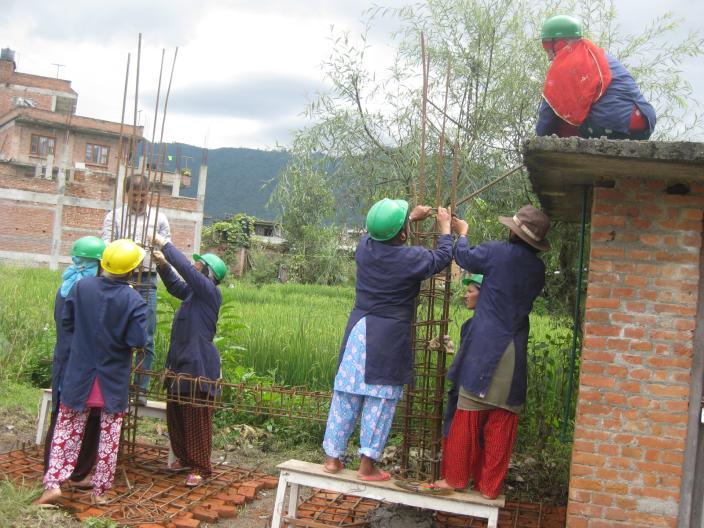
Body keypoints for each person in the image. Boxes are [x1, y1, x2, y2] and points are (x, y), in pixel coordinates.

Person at [322, 198, 454, 481]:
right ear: (404, 235)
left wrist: (410, 220)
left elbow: (379, 233)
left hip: (359, 330)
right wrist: (444, 229)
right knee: (380, 400)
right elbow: (441, 258)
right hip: (388, 336)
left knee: (346, 395)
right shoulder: (410, 259)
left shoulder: (364, 249)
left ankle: (332, 459)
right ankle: (367, 467)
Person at [433, 205, 549, 499]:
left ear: (513, 231)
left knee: (467, 417)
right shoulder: (538, 270)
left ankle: (455, 479)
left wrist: (463, 232)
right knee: (502, 423)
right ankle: (489, 489)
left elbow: (464, 257)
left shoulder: (498, 252)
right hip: (514, 352)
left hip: (485, 349)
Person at [36, 239, 148, 506]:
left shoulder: (81, 287)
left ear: (103, 264)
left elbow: (67, 323)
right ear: (132, 271)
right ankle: (100, 491)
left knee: (67, 429)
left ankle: (53, 484)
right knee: (109, 437)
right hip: (111, 380)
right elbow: (138, 340)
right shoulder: (134, 300)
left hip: (79, 374)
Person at [152, 234, 227, 487]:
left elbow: (184, 271)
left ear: (208, 273)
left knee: (196, 416)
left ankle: (201, 468)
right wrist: (162, 265)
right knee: (176, 411)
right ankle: (184, 458)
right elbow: (175, 285)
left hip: (199, 364)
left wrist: (166, 246)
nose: (193, 268)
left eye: (198, 266)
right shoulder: (193, 295)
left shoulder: (209, 293)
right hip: (180, 360)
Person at [43, 236, 106, 488]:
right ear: (98, 264)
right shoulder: (89, 290)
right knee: (88, 416)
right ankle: (78, 474)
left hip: (64, 359)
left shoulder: (66, 285)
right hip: (84, 363)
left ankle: (52, 470)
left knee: (60, 416)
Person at [102, 174, 171, 404]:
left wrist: (157, 249)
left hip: (148, 279)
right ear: (126, 193)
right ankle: (112, 383)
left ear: (148, 193)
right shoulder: (116, 216)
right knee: (114, 331)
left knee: (145, 335)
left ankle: (139, 389)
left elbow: (166, 248)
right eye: (135, 195)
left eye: (143, 195)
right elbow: (106, 245)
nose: (139, 200)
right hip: (120, 279)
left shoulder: (159, 218)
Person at [536, 14, 656, 140]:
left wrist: (539, 143)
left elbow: (547, 115)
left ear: (560, 43)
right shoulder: (598, 55)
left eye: (548, 50)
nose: (549, 57)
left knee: (561, 116)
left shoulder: (565, 65)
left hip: (617, 124)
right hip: (644, 122)